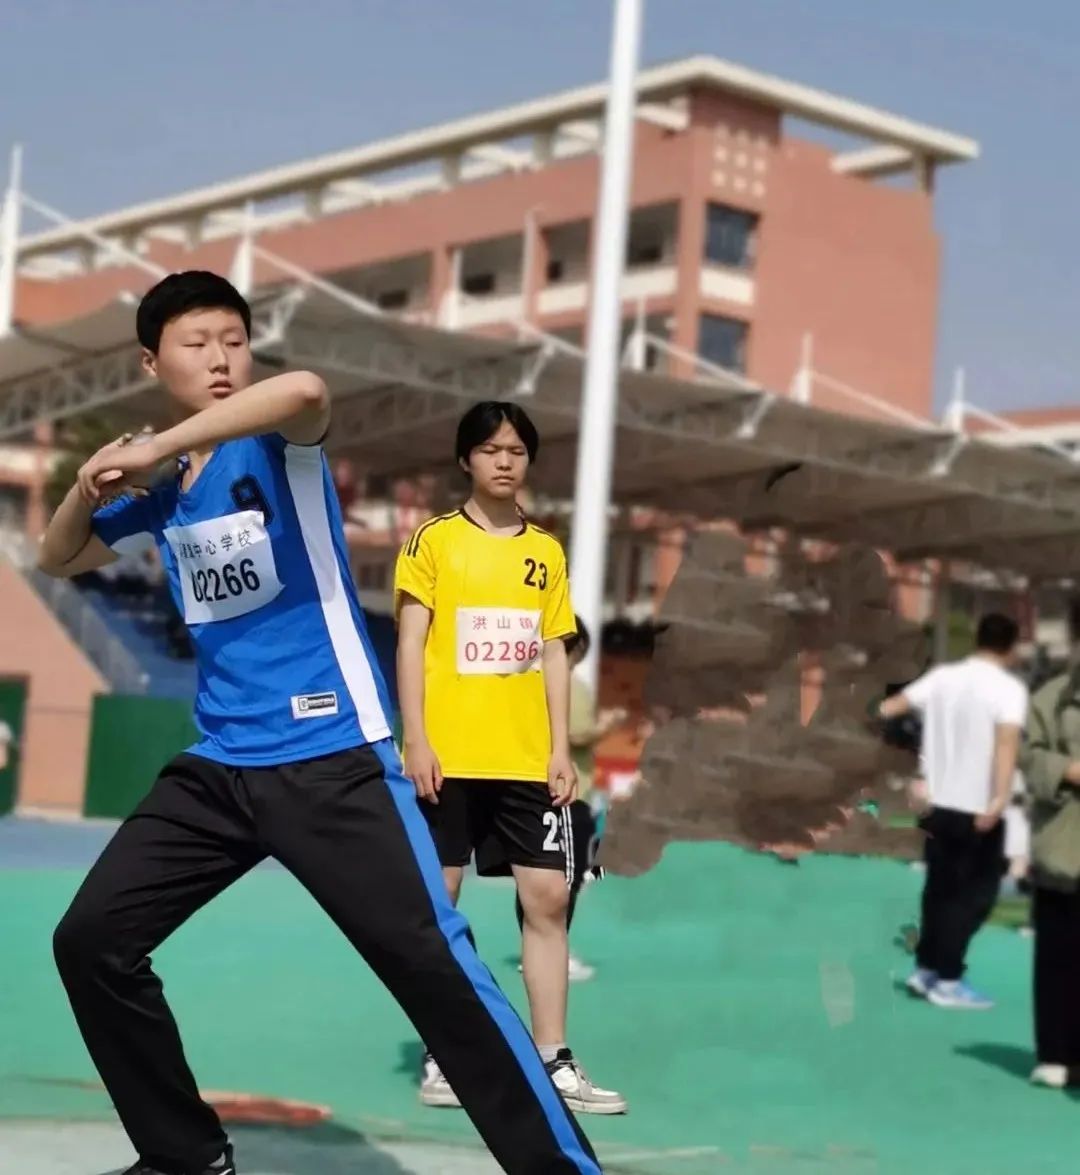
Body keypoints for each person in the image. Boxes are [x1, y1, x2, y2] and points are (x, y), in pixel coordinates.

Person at [40, 273, 602, 1175]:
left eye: (234, 340)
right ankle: (185, 1156)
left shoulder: (277, 444)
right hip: (220, 765)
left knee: (434, 969)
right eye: (196, 343)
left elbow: (305, 390)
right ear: (151, 362)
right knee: (91, 940)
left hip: (332, 757)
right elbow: (57, 554)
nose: (221, 358)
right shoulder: (164, 492)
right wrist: (87, 482)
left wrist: (161, 444)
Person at [394, 401, 627, 1115]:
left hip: (526, 762)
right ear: (465, 458)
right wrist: (416, 737)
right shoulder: (432, 541)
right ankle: (444, 1053)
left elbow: (554, 652)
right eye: (491, 449)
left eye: (517, 450)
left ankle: (554, 1059)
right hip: (449, 758)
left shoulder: (546, 552)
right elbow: (410, 643)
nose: (504, 461)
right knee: (441, 905)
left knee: (549, 898)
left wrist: (559, 748)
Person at [879, 613, 1027, 1010]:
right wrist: (999, 798)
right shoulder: (1008, 689)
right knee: (975, 896)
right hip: (977, 807)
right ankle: (947, 977)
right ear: (1012, 646)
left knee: (939, 891)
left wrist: (913, 765)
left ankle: (926, 969)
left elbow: (888, 709)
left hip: (937, 802)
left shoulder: (943, 677)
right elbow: (1007, 744)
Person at [1019, 659, 1080, 1088]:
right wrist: (1068, 770)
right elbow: (1028, 754)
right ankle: (1056, 1053)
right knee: (1059, 953)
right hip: (1065, 844)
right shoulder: (1053, 696)